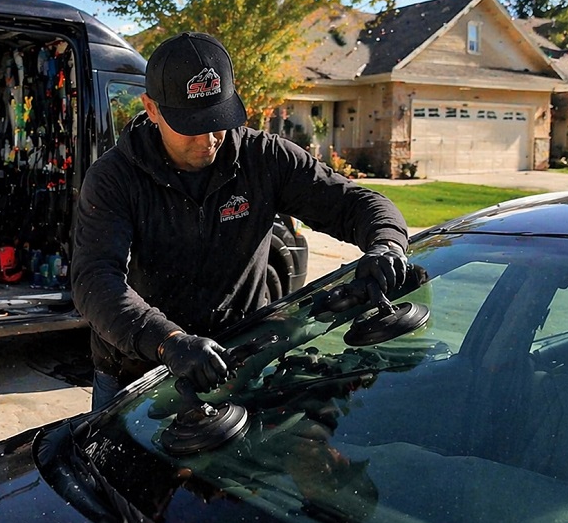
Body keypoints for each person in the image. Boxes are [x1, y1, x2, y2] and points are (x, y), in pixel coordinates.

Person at [71, 31, 409, 410]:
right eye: (191, 126)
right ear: (151, 109)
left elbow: (354, 203)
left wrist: (387, 244)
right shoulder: (114, 178)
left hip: (240, 365)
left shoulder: (264, 158)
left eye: (217, 120)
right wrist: (168, 341)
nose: (209, 140)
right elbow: (95, 279)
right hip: (136, 372)